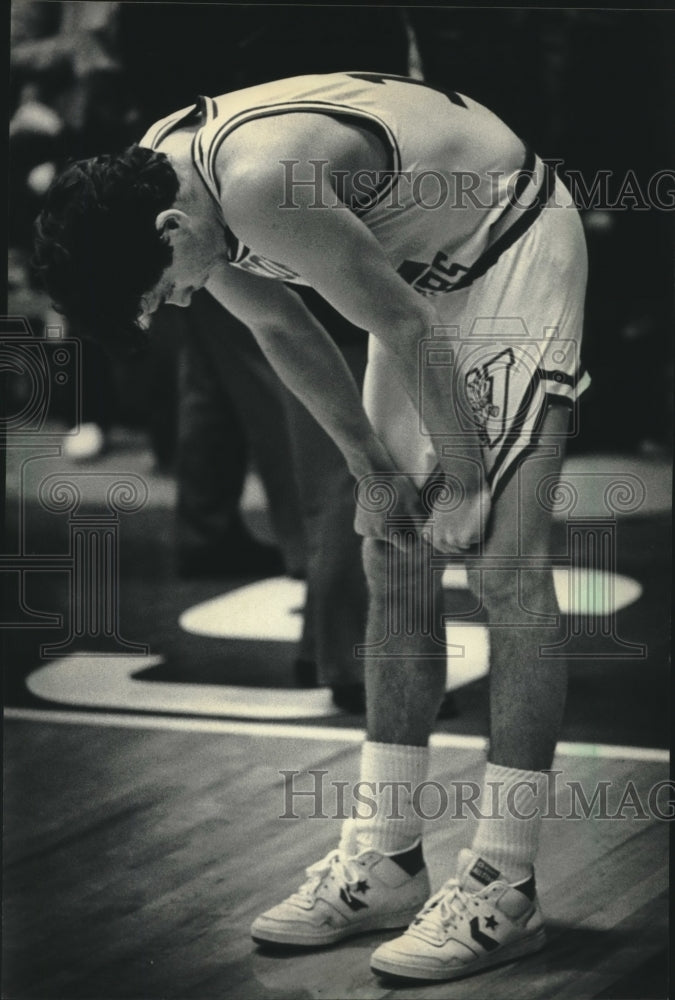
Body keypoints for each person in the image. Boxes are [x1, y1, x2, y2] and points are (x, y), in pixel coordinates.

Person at [33, 71, 589, 983]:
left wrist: (463, 475)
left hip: (509, 246)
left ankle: (504, 882)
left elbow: (406, 327)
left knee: (502, 568)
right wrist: (373, 469)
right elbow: (286, 331)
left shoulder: (252, 185)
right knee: (392, 556)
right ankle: (384, 858)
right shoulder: (168, 187)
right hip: (418, 277)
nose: (175, 304)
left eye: (160, 293)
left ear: (170, 235)